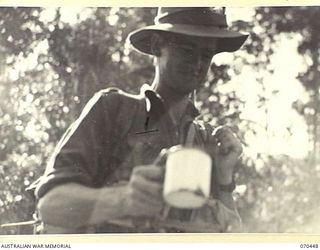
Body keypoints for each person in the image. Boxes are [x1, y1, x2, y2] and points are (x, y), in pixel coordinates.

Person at [30, 7, 248, 233]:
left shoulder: (205, 140)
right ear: (156, 46)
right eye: (187, 49)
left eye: (206, 55)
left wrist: (224, 178)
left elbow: (231, 231)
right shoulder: (114, 109)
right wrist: (123, 199)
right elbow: (50, 205)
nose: (198, 63)